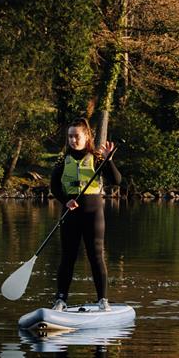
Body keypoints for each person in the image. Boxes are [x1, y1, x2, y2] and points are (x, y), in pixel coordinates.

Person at [51, 118, 121, 311]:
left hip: (93, 214)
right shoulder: (61, 160)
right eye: (70, 136)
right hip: (70, 213)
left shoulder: (98, 158)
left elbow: (116, 180)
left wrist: (110, 160)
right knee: (67, 258)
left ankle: (102, 300)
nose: (73, 140)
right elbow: (54, 187)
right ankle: (61, 299)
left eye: (77, 136)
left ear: (86, 136)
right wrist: (65, 200)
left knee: (96, 256)